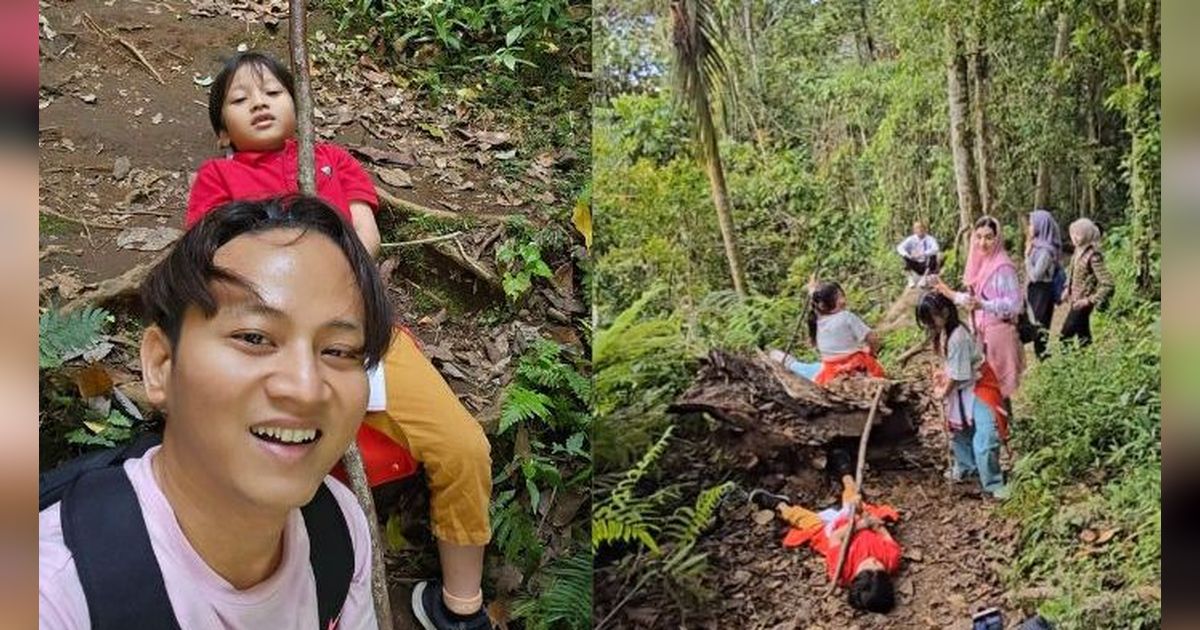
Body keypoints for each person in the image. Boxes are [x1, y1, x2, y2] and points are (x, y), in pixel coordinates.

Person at [186, 52, 493, 629]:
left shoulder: (330, 161)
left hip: (360, 329)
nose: (259, 102)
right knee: (278, 477)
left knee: (463, 446)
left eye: (274, 92)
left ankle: (459, 607)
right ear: (221, 128)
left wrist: (319, 274)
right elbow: (208, 258)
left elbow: (366, 235)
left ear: (297, 105)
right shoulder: (217, 179)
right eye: (240, 98)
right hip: (266, 343)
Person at [40, 197, 389, 629]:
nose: (305, 388)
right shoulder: (55, 594)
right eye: (254, 338)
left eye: (338, 350)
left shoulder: (339, 529)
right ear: (161, 365)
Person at [758, 476, 901, 613]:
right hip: (858, 518)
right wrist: (869, 520)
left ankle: (780, 505)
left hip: (833, 529)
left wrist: (858, 526)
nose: (874, 562)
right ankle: (845, 474)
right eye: (879, 569)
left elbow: (836, 537)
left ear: (855, 578)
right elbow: (883, 532)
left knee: (806, 521)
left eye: (866, 568)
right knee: (854, 497)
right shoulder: (891, 560)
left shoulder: (842, 572)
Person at [915, 292, 1009, 499]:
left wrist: (942, 392)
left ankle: (993, 482)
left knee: (985, 437)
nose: (930, 325)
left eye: (932, 319)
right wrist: (944, 376)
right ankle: (967, 468)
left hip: (979, 385)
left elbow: (958, 375)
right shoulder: (944, 332)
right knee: (961, 432)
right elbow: (953, 368)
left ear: (946, 312)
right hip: (962, 387)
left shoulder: (957, 336)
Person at [934, 215, 1024, 408]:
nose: (983, 243)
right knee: (988, 383)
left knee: (998, 384)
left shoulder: (1003, 267)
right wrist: (948, 292)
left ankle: (1002, 427)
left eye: (989, 237)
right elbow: (973, 302)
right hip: (982, 333)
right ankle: (1000, 426)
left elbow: (1014, 304)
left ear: (997, 238)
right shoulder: (981, 264)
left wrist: (985, 305)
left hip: (999, 332)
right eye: (979, 236)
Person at [769, 277, 884, 385]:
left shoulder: (816, 321)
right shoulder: (847, 317)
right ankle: (786, 361)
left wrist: (812, 290)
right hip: (858, 367)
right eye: (839, 297)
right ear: (825, 304)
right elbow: (872, 338)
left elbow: (816, 300)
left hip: (831, 373)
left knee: (811, 369)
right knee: (814, 368)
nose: (843, 300)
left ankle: (784, 360)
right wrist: (872, 351)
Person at [1060, 218, 1114, 347]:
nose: (1074, 238)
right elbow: (1072, 271)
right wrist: (1067, 288)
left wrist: (1089, 300)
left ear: (1087, 235)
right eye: (1073, 234)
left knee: (1065, 336)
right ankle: (1086, 361)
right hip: (1075, 299)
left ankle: (1068, 364)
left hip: (1083, 302)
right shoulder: (1077, 251)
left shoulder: (1093, 256)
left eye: (1078, 234)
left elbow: (1108, 283)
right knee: (1083, 334)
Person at [1023, 209, 1063, 360]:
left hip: (1042, 290)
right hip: (1035, 290)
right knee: (1036, 324)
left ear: (1041, 225)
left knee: (1039, 327)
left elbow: (1035, 276)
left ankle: (1045, 361)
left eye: (1032, 224)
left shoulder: (1046, 251)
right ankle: (1043, 359)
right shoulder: (1037, 246)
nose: (1029, 227)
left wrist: (1026, 257)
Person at [896, 221, 940, 288]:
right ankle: (910, 278)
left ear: (925, 229)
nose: (919, 230)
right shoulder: (911, 239)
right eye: (917, 228)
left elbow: (936, 248)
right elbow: (899, 247)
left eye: (921, 228)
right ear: (914, 230)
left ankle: (924, 278)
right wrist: (908, 255)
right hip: (915, 263)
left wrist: (923, 254)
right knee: (904, 257)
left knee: (933, 255)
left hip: (926, 265)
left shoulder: (930, 239)